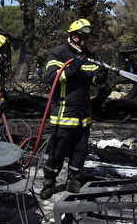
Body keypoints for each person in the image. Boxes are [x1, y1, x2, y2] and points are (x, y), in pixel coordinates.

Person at [40, 19, 107, 200]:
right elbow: (52, 78)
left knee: (80, 150)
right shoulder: (59, 53)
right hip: (63, 112)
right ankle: (49, 183)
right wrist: (74, 66)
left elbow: (95, 82)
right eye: (83, 37)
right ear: (74, 36)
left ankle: (74, 179)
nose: (86, 41)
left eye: (87, 38)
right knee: (57, 151)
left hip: (83, 114)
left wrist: (101, 76)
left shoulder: (89, 56)